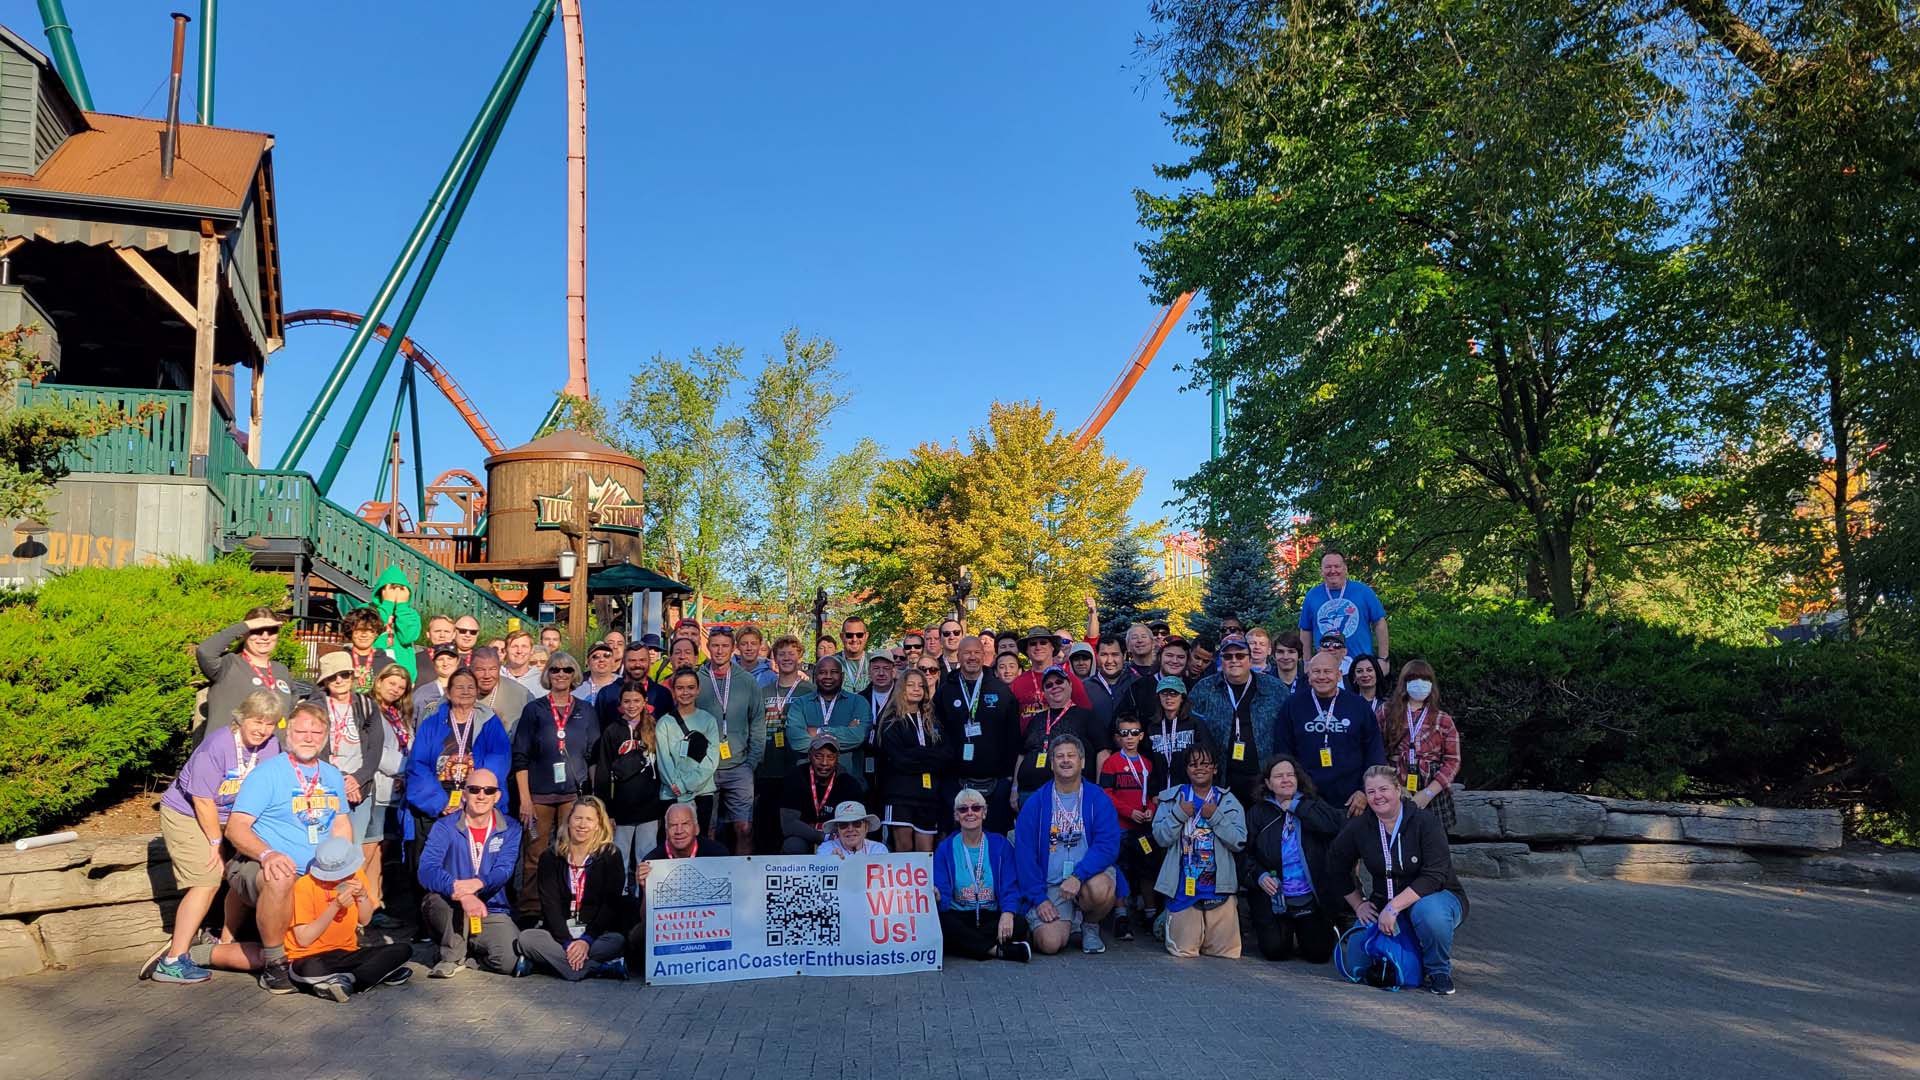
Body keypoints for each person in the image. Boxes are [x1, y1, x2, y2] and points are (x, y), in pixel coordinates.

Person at [143, 691, 284, 984]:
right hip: (189, 813)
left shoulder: (271, 746)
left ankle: (225, 940)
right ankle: (173, 960)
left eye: (269, 723)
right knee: (207, 880)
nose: (262, 730)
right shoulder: (217, 745)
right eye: (257, 721)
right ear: (242, 718)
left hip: (231, 816)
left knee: (243, 871)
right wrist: (215, 844)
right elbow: (202, 800)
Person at [223, 702, 354, 993]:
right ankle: (274, 964)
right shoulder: (267, 774)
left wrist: (343, 865)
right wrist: (267, 854)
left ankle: (338, 950)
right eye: (301, 731)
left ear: (325, 737)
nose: (308, 738)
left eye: (316, 732)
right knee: (281, 875)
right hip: (259, 865)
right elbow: (236, 827)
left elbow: (341, 824)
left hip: (318, 874)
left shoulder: (332, 775)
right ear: (288, 734)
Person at [1327, 765, 1467, 994]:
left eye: (1383, 789)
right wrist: (1359, 904)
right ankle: (1408, 958)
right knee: (1356, 963)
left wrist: (1394, 907)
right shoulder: (1360, 827)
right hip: (1384, 902)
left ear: (1397, 789)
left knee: (1429, 915)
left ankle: (1438, 970)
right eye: (1371, 792)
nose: (1378, 796)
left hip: (1434, 897)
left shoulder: (1425, 822)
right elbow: (1335, 864)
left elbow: (1435, 875)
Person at [1012, 733, 1123, 956]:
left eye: (1071, 755)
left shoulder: (1097, 798)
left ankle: (1090, 925)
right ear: (1051, 764)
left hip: (1086, 878)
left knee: (1101, 888)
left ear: (1082, 761)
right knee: (1049, 943)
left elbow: (1107, 845)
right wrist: (1039, 899)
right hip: (1052, 885)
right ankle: (1068, 920)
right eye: (1059, 756)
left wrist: (1078, 876)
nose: (1065, 760)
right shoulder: (1036, 803)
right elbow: (1025, 856)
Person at [512, 652, 601, 917]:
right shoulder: (534, 710)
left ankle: (567, 907)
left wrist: (593, 799)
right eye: (555, 670)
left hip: (573, 795)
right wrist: (525, 799)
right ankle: (530, 908)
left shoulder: (586, 710)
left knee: (573, 850)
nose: (561, 674)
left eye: (566, 670)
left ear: (575, 675)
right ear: (547, 674)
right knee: (535, 853)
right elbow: (520, 756)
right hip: (538, 795)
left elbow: (593, 756)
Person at [418, 768, 524, 978]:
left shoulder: (510, 828)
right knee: (436, 901)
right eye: (474, 789)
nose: (481, 795)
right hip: (453, 904)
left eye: (488, 790)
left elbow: (504, 869)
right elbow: (427, 870)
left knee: (507, 962)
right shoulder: (445, 826)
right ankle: (451, 956)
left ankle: (468, 954)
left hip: (491, 908)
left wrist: (478, 883)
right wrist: (460, 892)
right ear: (464, 794)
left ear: (497, 796)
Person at [1244, 754, 1347, 964]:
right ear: (1268, 783)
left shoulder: (1312, 803)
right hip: (1274, 897)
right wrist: (1259, 875)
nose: (1285, 780)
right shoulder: (1258, 812)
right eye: (1278, 776)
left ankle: (1306, 931)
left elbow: (1336, 826)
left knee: (1318, 954)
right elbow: (1244, 852)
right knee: (1275, 951)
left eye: (1290, 775)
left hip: (1310, 897)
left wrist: (1296, 807)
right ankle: (1284, 931)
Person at [283, 835, 412, 1001]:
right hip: (309, 957)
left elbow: (364, 920)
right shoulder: (305, 885)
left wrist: (362, 896)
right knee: (309, 970)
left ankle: (341, 982)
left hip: (347, 952)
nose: (344, 877)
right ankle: (370, 976)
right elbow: (304, 939)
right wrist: (335, 907)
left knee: (402, 950)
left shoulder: (356, 876)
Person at [1152, 744, 1247, 958]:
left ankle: (1202, 928)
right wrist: (1178, 814)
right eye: (1193, 764)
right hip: (1183, 887)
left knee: (1226, 953)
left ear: (1215, 768)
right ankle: (1168, 920)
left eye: (1205, 764)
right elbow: (1160, 838)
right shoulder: (1172, 798)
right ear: (1186, 769)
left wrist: (1215, 816)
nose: (1199, 768)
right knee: (1184, 951)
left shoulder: (1228, 800)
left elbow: (1239, 841)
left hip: (1219, 887)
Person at [520, 796, 629, 980]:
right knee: (527, 939)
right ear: (568, 821)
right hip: (559, 936)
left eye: (589, 819)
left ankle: (546, 966)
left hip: (596, 935)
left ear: (598, 825)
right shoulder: (550, 857)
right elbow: (550, 906)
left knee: (617, 942)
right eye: (578, 818)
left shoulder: (611, 855)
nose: (582, 825)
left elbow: (610, 905)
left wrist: (586, 940)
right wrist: (567, 942)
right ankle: (601, 968)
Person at [1277, 652, 1387, 815]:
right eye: (1316, 671)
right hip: (1305, 799)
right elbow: (1282, 753)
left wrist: (1365, 790)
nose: (1322, 677)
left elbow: (1374, 753)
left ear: (1339, 675)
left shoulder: (1358, 706)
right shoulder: (1292, 706)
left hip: (1352, 801)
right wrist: (1292, 792)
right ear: (1308, 676)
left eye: (1327, 671)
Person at [407, 669, 512, 839]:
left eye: (470, 687)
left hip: (476, 795)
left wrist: (474, 797)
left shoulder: (490, 723)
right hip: (437, 794)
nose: (465, 691)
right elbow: (418, 765)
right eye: (459, 687)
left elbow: (498, 760)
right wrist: (440, 802)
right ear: (448, 693)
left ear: (477, 692)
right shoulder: (432, 724)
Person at [932, 789, 1031, 962]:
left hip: (990, 914)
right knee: (942, 923)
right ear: (956, 815)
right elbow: (942, 889)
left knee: (1020, 923)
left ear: (984, 813)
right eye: (963, 809)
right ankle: (996, 950)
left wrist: (1007, 913)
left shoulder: (1000, 844)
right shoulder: (945, 848)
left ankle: (967, 946)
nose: (970, 813)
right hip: (959, 915)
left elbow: (1010, 884)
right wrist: (938, 896)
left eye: (976, 808)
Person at [1188, 635, 1287, 805]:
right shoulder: (1204, 689)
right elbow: (1189, 728)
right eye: (1228, 656)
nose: (1234, 661)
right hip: (1221, 780)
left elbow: (1289, 730)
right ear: (1221, 661)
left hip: (1264, 778)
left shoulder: (1275, 689)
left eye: (1240, 655)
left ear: (1250, 659)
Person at [590, 683, 667, 884]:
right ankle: (620, 894)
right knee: (620, 855)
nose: (632, 705)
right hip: (621, 808)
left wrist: (661, 805)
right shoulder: (612, 731)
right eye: (627, 701)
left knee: (646, 856)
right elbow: (603, 772)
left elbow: (662, 769)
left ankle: (645, 895)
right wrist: (606, 810)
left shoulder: (654, 728)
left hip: (649, 807)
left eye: (636, 701)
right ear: (620, 704)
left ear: (645, 702)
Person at [696, 625, 764, 853]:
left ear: (733, 648)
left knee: (744, 828)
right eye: (715, 646)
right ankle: (710, 872)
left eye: (725, 646)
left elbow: (757, 722)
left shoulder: (746, 681)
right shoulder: (698, 679)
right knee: (708, 829)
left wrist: (752, 762)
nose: (719, 651)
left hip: (739, 766)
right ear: (707, 647)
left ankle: (743, 872)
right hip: (706, 767)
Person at [194, 607, 298, 745]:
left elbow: (291, 703)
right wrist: (244, 626)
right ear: (245, 633)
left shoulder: (281, 670)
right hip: (229, 752)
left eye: (271, 630)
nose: (265, 636)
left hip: (270, 754)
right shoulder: (229, 665)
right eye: (257, 630)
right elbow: (205, 651)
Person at [311, 652, 384, 846]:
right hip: (325, 787)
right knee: (325, 848)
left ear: (352, 676)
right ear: (324, 681)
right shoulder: (314, 708)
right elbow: (312, 749)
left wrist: (358, 779)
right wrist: (341, 780)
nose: (339, 680)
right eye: (332, 676)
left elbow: (375, 748)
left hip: (360, 789)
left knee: (353, 849)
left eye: (344, 674)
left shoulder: (367, 705)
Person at [1096, 715, 1157, 942]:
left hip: (1143, 828)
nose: (1129, 737)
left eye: (1134, 733)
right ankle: (1121, 916)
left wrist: (1151, 809)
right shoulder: (1111, 763)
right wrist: (1129, 812)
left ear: (1141, 736)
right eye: (1124, 733)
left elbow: (1152, 796)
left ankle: (1150, 914)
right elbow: (1106, 794)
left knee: (1147, 869)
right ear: (1117, 737)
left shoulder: (1147, 764)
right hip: (1120, 828)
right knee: (1119, 869)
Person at [1381, 660, 1462, 829]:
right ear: (1404, 682)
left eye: (1425, 679)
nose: (1420, 684)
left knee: (1433, 839)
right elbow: (1376, 750)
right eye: (1414, 679)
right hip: (1394, 784)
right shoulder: (1386, 712)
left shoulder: (1443, 719)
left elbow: (1453, 761)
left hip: (1432, 788)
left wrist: (1429, 793)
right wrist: (1395, 785)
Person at [876, 666, 949, 853]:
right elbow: (899, 760)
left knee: (926, 850)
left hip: (928, 795)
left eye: (920, 685)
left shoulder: (932, 720)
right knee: (904, 848)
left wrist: (916, 753)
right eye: (911, 685)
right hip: (900, 795)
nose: (916, 689)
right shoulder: (891, 721)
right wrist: (927, 755)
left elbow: (944, 756)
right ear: (901, 688)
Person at [364, 663, 415, 921]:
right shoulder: (369, 710)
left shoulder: (398, 715)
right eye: (391, 683)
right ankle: (357, 903)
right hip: (377, 788)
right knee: (367, 849)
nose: (395, 690)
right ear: (380, 681)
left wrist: (406, 776)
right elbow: (376, 751)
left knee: (381, 850)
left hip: (395, 792)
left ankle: (374, 902)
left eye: (401, 687)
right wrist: (405, 770)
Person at [1013, 668, 1097, 814]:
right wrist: (1014, 788)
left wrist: (1100, 788)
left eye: (1059, 682)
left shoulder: (1087, 716)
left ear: (1070, 685)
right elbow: (1022, 754)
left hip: (1068, 794)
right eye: (1049, 685)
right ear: (1044, 693)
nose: (1055, 687)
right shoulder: (1036, 719)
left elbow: (1103, 752)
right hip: (1028, 793)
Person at [755, 634, 811, 851]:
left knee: (792, 825)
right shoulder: (764, 691)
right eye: (782, 654)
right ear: (774, 659)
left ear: (800, 657)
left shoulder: (809, 690)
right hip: (767, 766)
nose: (786, 658)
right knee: (767, 825)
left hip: (797, 765)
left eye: (791, 654)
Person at [1298, 548, 1389, 668]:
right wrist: (1307, 662)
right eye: (1328, 567)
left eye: (1337, 566)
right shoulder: (1312, 596)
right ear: (1321, 571)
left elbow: (1379, 623)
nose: (1333, 571)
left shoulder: (1363, 591)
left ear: (1345, 569)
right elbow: (1305, 630)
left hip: (1361, 667)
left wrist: (1383, 659)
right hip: (1325, 669)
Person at [656, 667, 720, 832]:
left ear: (698, 690)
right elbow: (664, 760)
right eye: (680, 688)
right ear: (673, 690)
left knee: (701, 838)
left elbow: (711, 760)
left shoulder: (708, 720)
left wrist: (686, 784)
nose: (685, 692)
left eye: (690, 687)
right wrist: (677, 785)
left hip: (702, 792)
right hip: (672, 792)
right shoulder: (664, 723)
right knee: (674, 838)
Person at [783, 655, 872, 773]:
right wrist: (846, 731)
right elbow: (797, 741)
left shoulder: (859, 702)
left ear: (842, 676)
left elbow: (858, 736)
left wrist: (818, 732)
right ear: (814, 676)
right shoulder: (800, 704)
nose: (828, 676)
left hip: (848, 778)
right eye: (822, 672)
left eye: (834, 672)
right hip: (808, 779)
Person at [779, 735, 866, 854]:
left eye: (830, 757)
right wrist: (823, 836)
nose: (824, 763)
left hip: (838, 837)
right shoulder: (796, 778)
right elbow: (788, 825)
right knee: (793, 845)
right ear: (809, 756)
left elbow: (857, 823)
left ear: (837, 758)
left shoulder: (848, 783)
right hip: (806, 836)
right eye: (818, 756)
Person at [1008, 627, 1091, 728]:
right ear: (1027, 650)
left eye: (1043, 643)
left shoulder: (1068, 678)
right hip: (1028, 737)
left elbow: (1087, 715)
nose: (1038, 647)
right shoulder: (1017, 684)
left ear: (1052, 647)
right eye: (1033, 644)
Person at [1144, 676, 1212, 793]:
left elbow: (1208, 757)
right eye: (1164, 693)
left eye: (1174, 694)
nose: (1169, 698)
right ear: (1158, 697)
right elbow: (1148, 762)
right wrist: (1153, 792)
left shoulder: (1195, 723)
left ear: (1182, 698)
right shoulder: (1152, 727)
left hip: (1190, 791)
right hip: (1161, 793)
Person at [358, 566, 423, 680]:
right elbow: (368, 629)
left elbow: (407, 637)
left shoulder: (410, 614)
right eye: (392, 588)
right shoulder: (365, 610)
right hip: (372, 671)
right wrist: (388, 604)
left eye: (401, 589)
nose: (396, 593)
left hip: (402, 675)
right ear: (382, 590)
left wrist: (402, 607)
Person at [1115, 635, 1190, 730]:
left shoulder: (1192, 687)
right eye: (1169, 655)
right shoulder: (1139, 687)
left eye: (1181, 657)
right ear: (1159, 657)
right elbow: (1119, 722)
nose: (1175, 661)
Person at [1083, 637, 1132, 753]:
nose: (1109, 661)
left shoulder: (1136, 684)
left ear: (1124, 655)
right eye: (1104, 655)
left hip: (1132, 755)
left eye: (1115, 654)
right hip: (1096, 755)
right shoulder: (1084, 688)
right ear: (1097, 656)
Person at [470, 646, 531, 737]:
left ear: (499, 668)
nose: (487, 676)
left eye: (492, 669)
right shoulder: (458, 691)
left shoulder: (522, 694)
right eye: (480, 670)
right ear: (471, 669)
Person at [333, 608, 393, 694]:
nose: (364, 635)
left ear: (376, 633)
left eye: (369, 630)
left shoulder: (388, 664)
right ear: (350, 632)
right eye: (358, 630)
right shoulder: (338, 660)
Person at [818, 801, 888, 858]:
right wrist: (831, 861)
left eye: (856, 823)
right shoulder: (826, 849)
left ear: (866, 827)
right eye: (843, 825)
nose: (850, 829)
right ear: (837, 830)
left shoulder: (878, 849)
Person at [411, 643, 462, 715]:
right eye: (440, 659)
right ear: (433, 663)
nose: (445, 663)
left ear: (458, 661)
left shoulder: (468, 690)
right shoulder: (423, 693)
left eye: (450, 659)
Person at [837, 617, 873, 692]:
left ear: (866, 636)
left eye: (859, 635)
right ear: (841, 636)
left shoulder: (875, 661)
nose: (854, 639)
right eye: (849, 635)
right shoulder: (831, 663)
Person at [859, 648, 897, 719]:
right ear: (869, 671)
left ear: (893, 672)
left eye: (886, 668)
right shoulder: (860, 699)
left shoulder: (904, 696)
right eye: (876, 668)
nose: (881, 673)